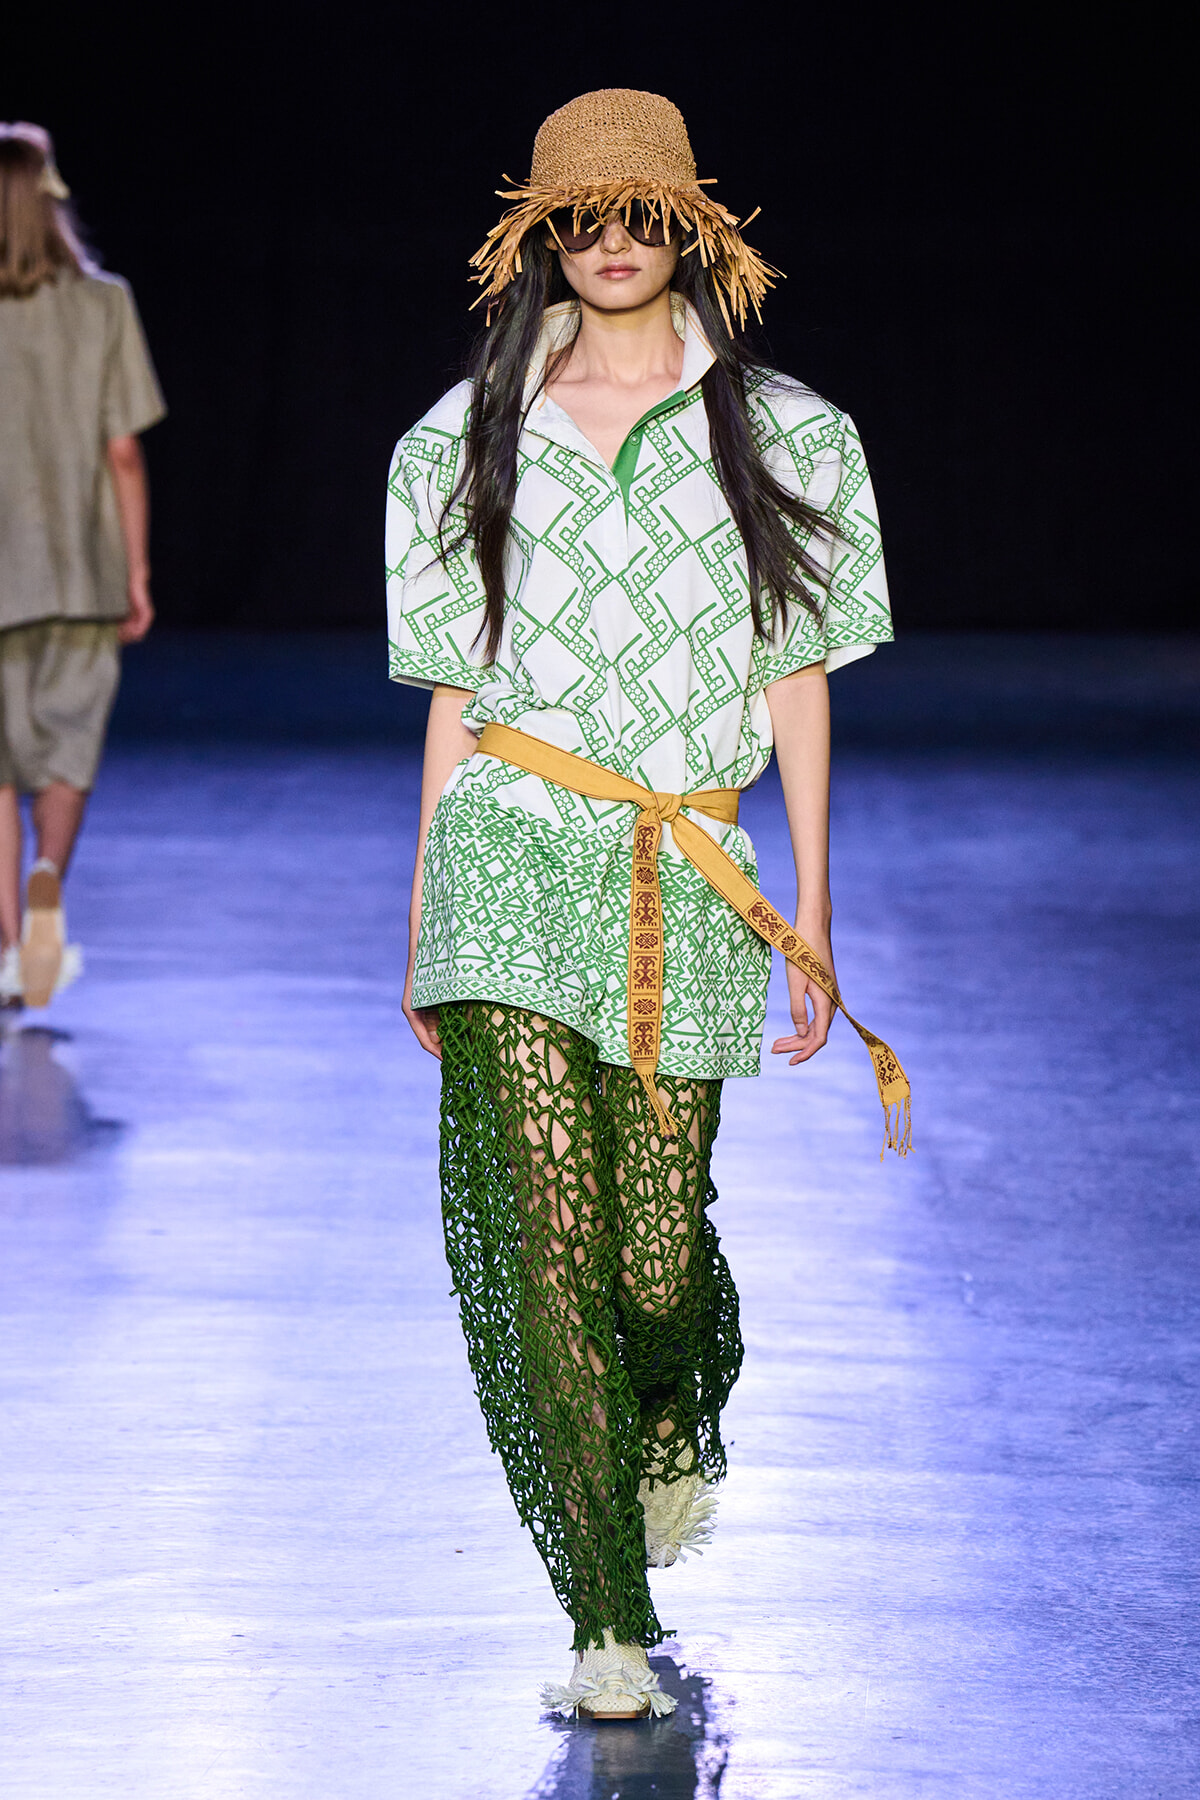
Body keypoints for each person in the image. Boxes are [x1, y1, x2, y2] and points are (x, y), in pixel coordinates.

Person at [387, 89, 908, 1720]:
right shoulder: (457, 437)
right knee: (547, 1246)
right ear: (540, 240)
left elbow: (798, 676)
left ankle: (678, 1410)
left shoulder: (794, 435)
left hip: (688, 865)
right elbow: (453, 693)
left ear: (691, 229)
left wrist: (813, 904)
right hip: (510, 849)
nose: (612, 243)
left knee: (654, 1254)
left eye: (641, 216)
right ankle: (601, 1618)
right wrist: (421, 914)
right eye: (580, 220)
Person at [0, 123, 165, 1011]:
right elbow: (124, 453)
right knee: (66, 746)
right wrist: (134, 573)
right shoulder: (103, 303)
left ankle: (8, 946)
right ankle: (49, 874)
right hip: (79, 568)